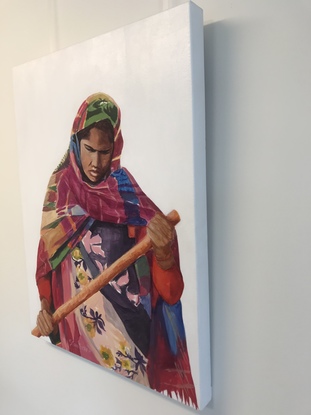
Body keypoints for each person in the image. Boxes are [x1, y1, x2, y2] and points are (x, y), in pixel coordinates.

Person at [35, 92, 197, 407]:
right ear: (75, 144)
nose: (96, 163)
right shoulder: (59, 193)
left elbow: (172, 292)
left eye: (105, 151)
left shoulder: (127, 196)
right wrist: (45, 308)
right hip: (76, 352)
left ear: (116, 148)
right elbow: (47, 265)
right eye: (89, 150)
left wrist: (164, 254)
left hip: (132, 346)